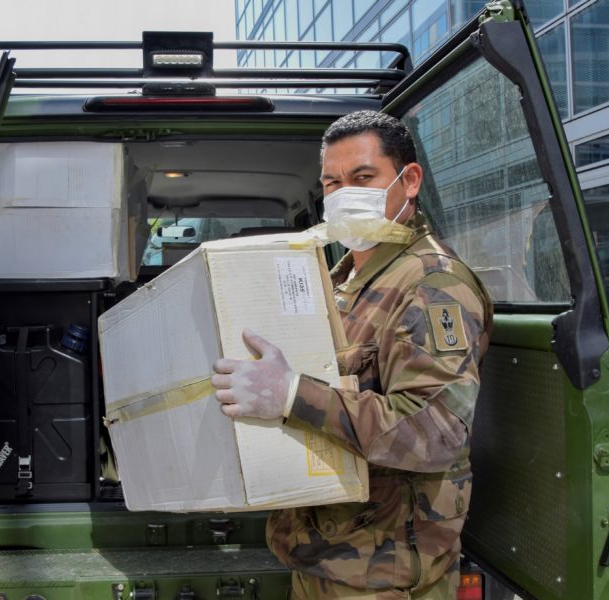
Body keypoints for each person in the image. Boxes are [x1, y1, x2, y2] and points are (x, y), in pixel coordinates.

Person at [210, 110, 493, 599]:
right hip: (330, 554)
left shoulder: (432, 284)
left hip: (384, 572)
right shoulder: (342, 278)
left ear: (409, 181)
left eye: (363, 177)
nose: (344, 194)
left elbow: (436, 431)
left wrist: (293, 394)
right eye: (332, 182)